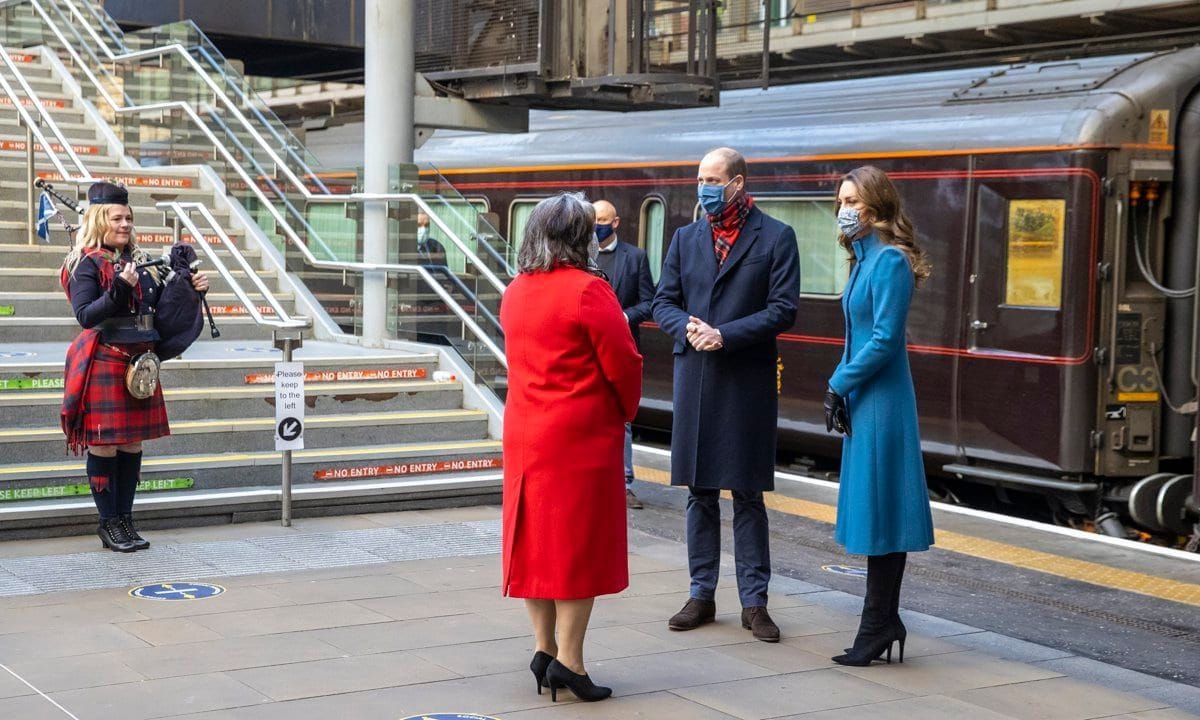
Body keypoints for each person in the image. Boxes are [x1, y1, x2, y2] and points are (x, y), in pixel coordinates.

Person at [652, 147, 800, 643]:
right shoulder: (685, 237)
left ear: (737, 183)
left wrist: (726, 334)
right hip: (695, 374)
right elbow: (662, 301)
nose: (704, 188)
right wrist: (688, 328)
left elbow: (784, 309)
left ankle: (754, 603)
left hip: (745, 380)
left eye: (713, 179)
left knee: (748, 492)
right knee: (699, 492)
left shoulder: (777, 236)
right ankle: (701, 594)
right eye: (699, 178)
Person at [500, 192, 643, 702]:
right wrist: (624, 412)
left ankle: (542, 651)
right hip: (577, 440)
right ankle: (571, 663)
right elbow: (624, 363)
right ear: (581, 237)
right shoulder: (589, 290)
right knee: (575, 551)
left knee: (535, 546)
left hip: (524, 435)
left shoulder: (515, 289)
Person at [824, 165, 935, 666]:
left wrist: (838, 383)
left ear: (875, 207)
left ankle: (878, 624)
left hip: (883, 401)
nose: (845, 211)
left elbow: (886, 340)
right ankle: (882, 622)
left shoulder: (889, 262)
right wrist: (844, 388)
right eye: (842, 202)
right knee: (875, 507)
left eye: (853, 202)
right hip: (865, 397)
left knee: (884, 507)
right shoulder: (862, 262)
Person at [59, 182, 209, 553]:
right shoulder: (85, 263)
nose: (125, 224)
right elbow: (85, 315)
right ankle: (108, 523)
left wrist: (191, 290)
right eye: (117, 218)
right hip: (106, 360)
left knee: (131, 445)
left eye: (128, 217)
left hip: (139, 365)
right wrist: (118, 291)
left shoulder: (138, 263)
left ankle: (126, 520)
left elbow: (158, 308)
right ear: (99, 219)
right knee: (106, 447)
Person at [592, 199, 656, 509]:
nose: (597, 227)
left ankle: (623, 483)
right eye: (592, 220)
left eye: (602, 220)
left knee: (623, 418)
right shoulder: (579, 256)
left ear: (615, 222)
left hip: (623, 346)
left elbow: (650, 302)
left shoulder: (636, 258)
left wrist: (624, 317)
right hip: (587, 349)